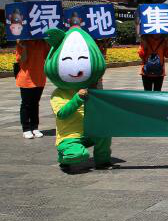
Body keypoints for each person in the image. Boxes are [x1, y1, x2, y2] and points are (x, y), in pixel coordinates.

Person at [44, 27, 113, 172]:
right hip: (69, 136)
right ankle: (63, 157)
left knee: (104, 134)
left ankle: (103, 161)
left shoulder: (92, 91)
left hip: (88, 133)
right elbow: (62, 113)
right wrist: (78, 98)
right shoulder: (59, 93)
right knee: (78, 155)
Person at [16, 38, 50, 139]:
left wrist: (48, 41)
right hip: (26, 78)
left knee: (35, 103)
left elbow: (49, 56)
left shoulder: (41, 42)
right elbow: (22, 60)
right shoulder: (22, 43)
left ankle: (34, 127)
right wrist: (24, 48)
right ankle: (26, 128)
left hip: (39, 78)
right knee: (26, 104)